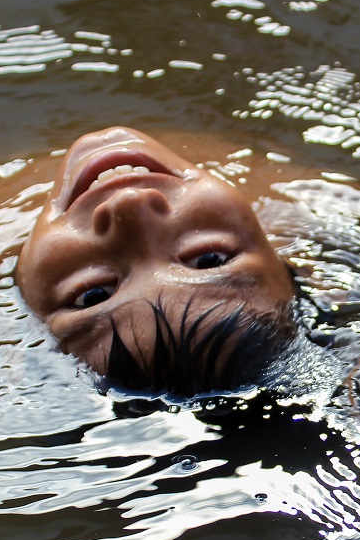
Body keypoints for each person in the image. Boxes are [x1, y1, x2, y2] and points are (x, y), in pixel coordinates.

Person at [15, 126, 308, 396]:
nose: (128, 201)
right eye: (208, 260)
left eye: (94, 295)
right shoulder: (298, 199)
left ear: (13, 340)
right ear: (301, 265)